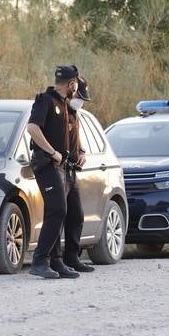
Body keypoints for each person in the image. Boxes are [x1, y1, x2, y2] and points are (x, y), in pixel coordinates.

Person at [26, 65, 81, 280]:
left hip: (62, 167)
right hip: (46, 164)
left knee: (60, 211)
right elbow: (32, 128)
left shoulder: (64, 105)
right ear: (72, 84)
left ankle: (56, 261)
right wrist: (53, 152)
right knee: (57, 209)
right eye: (75, 85)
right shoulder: (45, 100)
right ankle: (39, 261)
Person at [63, 76, 95, 273]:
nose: (80, 101)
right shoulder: (57, 111)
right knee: (59, 214)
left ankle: (72, 257)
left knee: (76, 215)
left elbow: (76, 139)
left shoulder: (75, 114)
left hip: (72, 170)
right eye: (79, 96)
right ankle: (54, 258)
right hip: (57, 169)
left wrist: (81, 152)